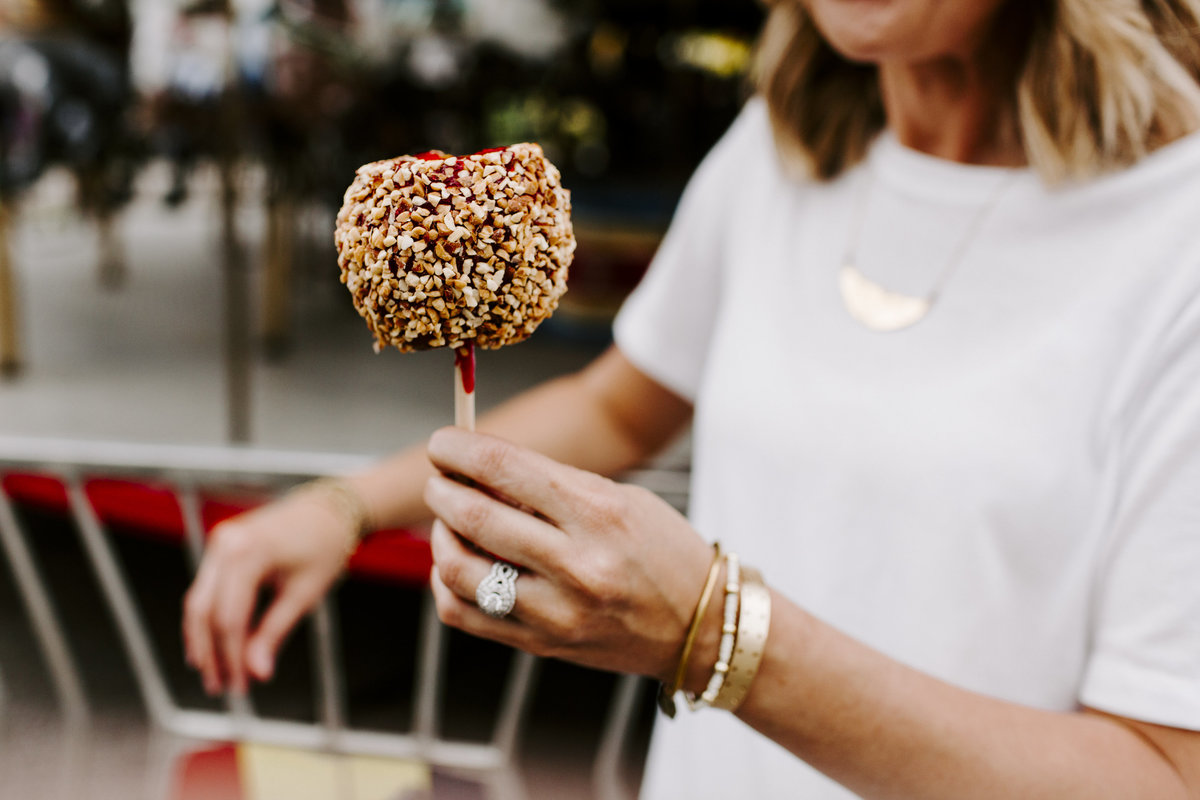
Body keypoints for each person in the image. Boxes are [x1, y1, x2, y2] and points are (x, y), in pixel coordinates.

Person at [183, 0, 1200, 797]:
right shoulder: (775, 151)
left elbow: (1162, 775)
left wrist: (714, 635)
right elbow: (621, 407)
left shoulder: (1174, 237)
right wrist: (345, 507)